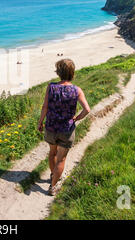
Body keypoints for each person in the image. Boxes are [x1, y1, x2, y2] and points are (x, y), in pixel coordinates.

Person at [38, 59, 91, 196]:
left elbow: (45, 107)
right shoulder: (77, 90)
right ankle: (53, 185)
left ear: (59, 73)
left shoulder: (51, 87)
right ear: (72, 73)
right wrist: (76, 118)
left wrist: (40, 122)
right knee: (61, 158)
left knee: (52, 153)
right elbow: (87, 109)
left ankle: (52, 175)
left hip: (50, 127)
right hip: (66, 130)